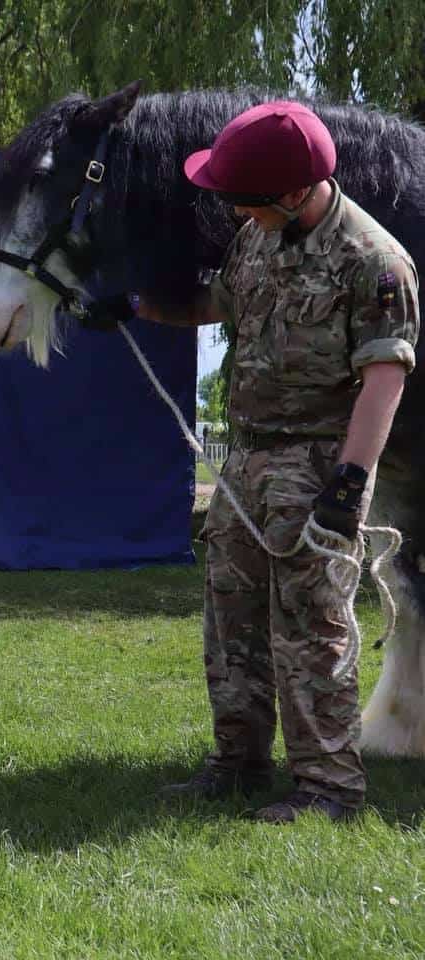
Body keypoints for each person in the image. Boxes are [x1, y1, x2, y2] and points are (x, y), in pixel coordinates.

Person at [135, 101, 420, 822]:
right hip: (247, 462)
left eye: (242, 197)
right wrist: (135, 305)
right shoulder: (256, 239)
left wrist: (349, 486)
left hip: (320, 463)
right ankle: (237, 764)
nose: (233, 208)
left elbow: (387, 377)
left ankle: (329, 789)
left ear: (293, 192)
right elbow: (218, 303)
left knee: (311, 628)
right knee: (230, 620)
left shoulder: (376, 261)